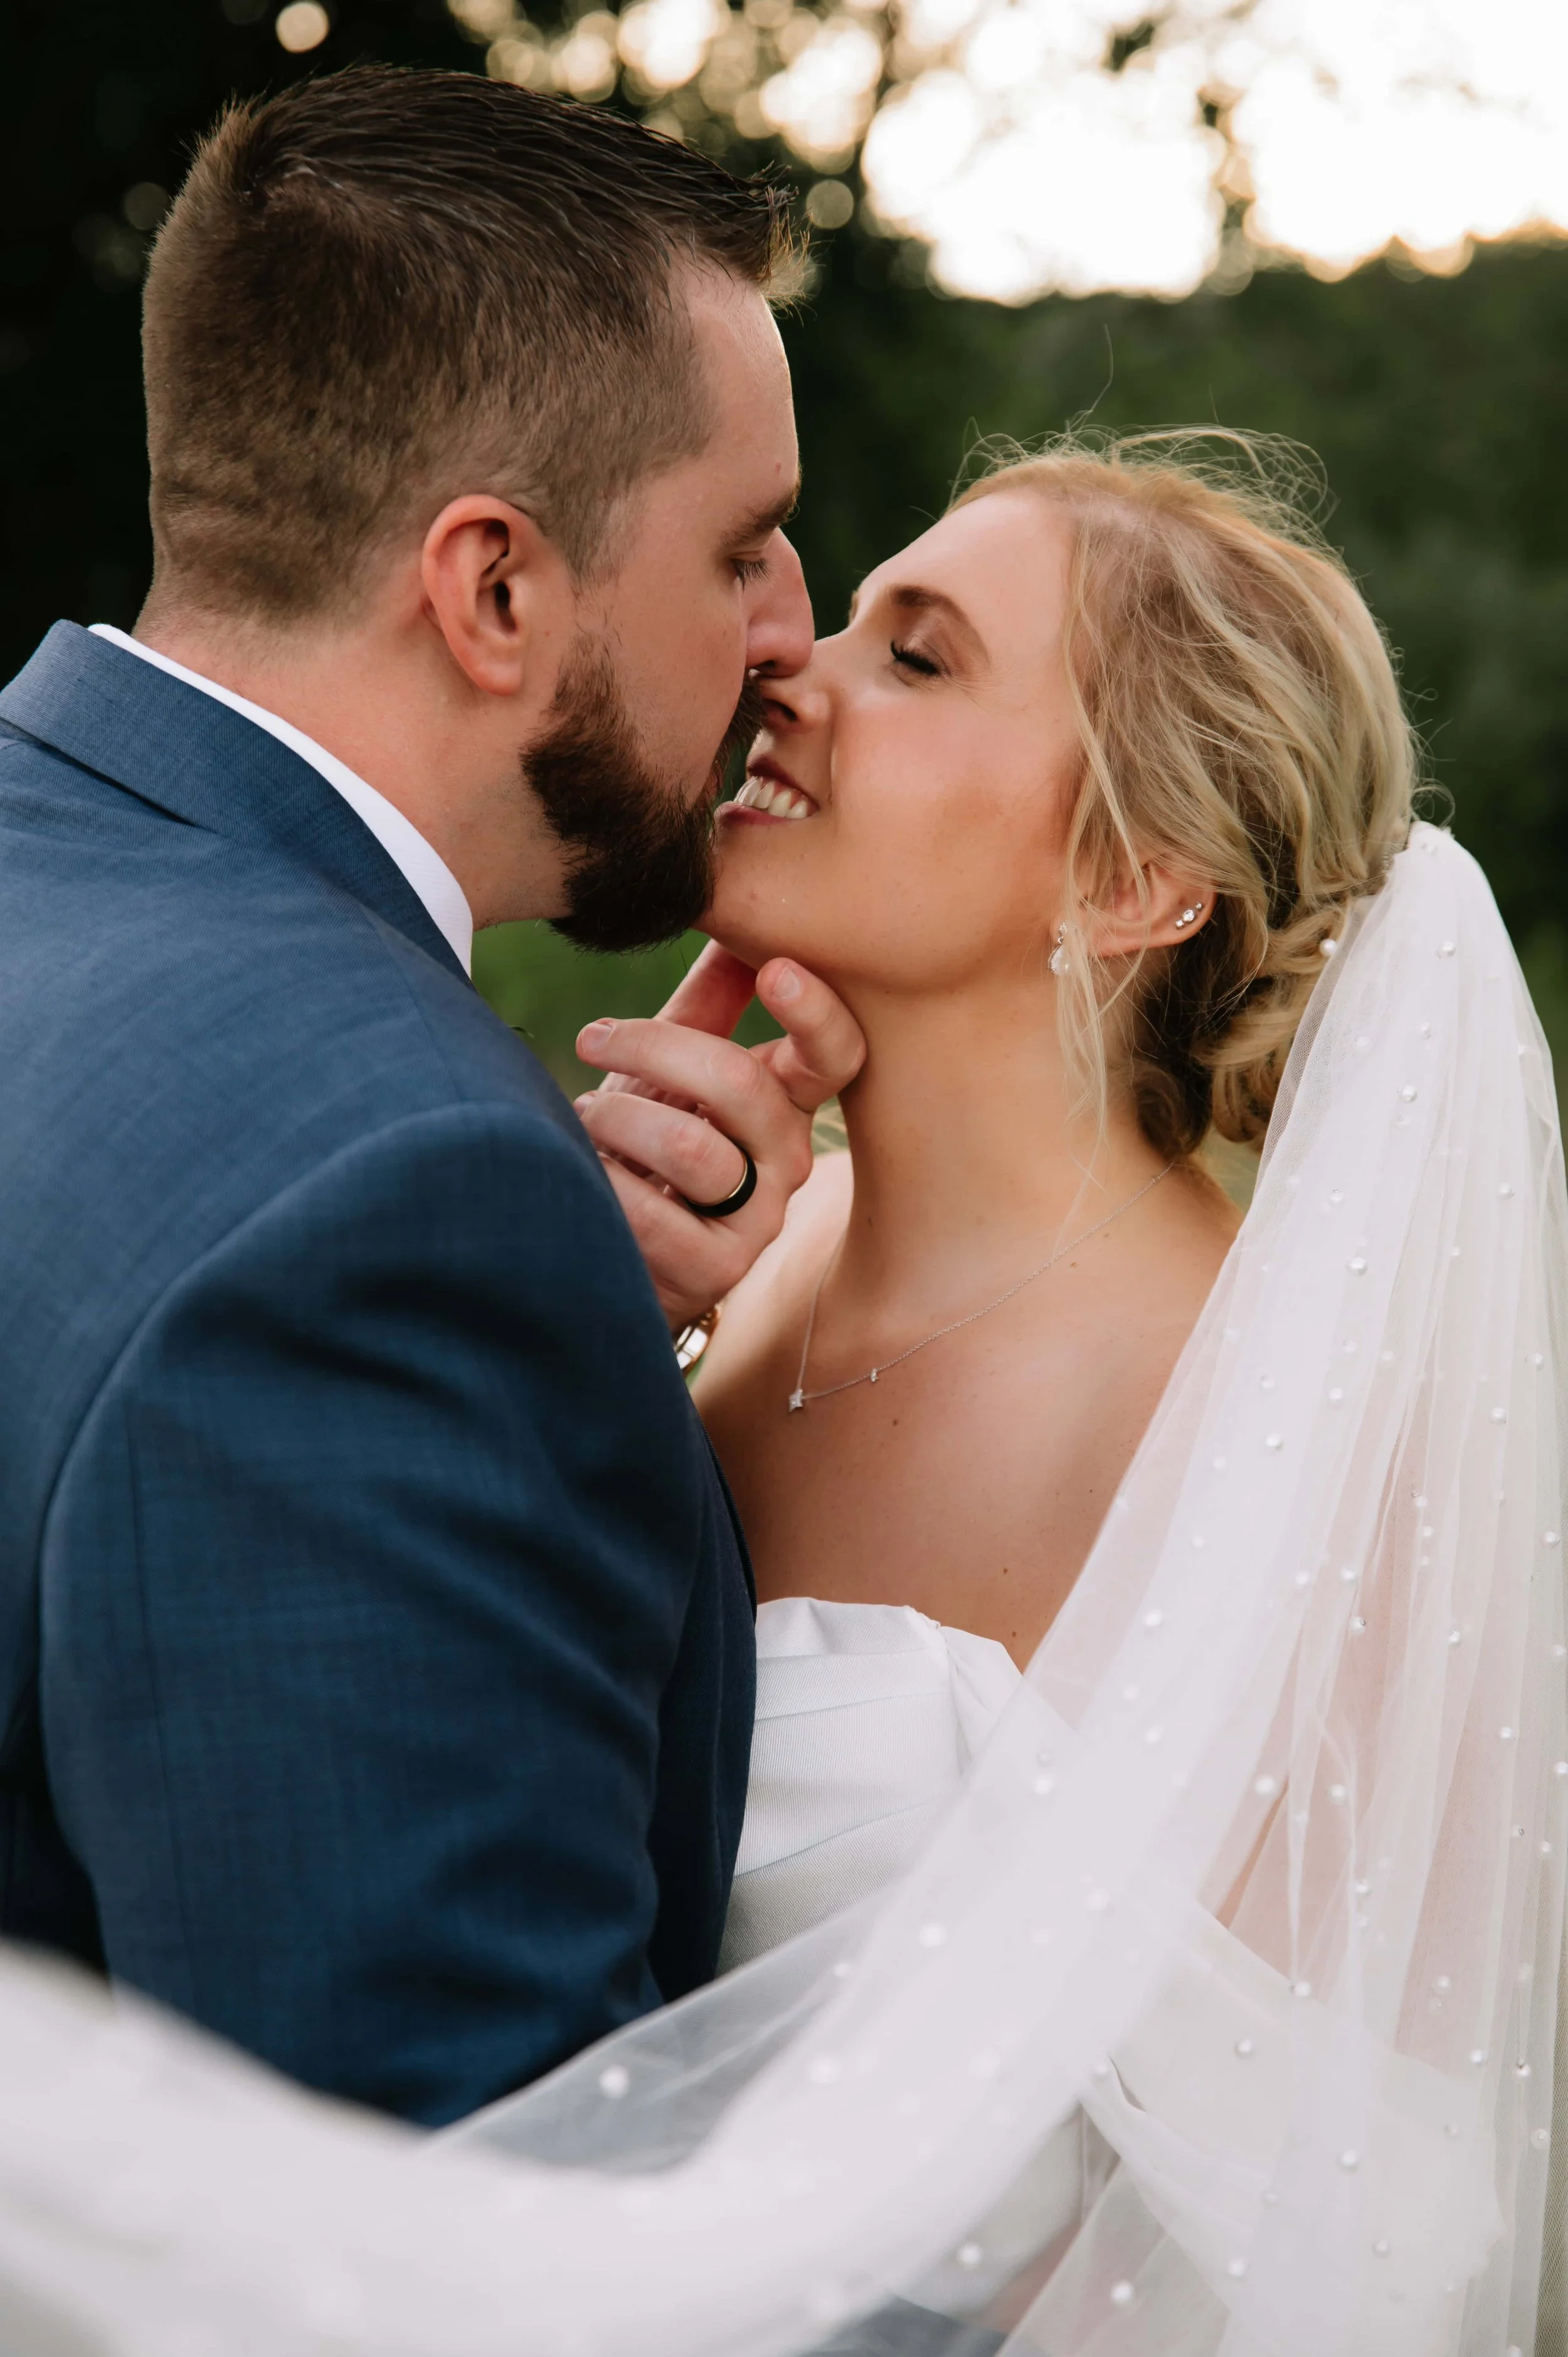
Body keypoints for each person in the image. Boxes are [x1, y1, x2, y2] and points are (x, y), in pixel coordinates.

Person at [0, 438, 1560, 2357]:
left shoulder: (1261, 1428)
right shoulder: (731, 1261)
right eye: (835, 613)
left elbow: (1347, 2207)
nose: (789, 667)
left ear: (1129, 874)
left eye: (915, 658)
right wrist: (613, 1297)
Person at [0, 67, 863, 2129]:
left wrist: (584, 1296)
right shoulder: (390, 1199)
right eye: (742, 543)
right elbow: (452, 2244)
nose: (790, 628)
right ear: (492, 590)